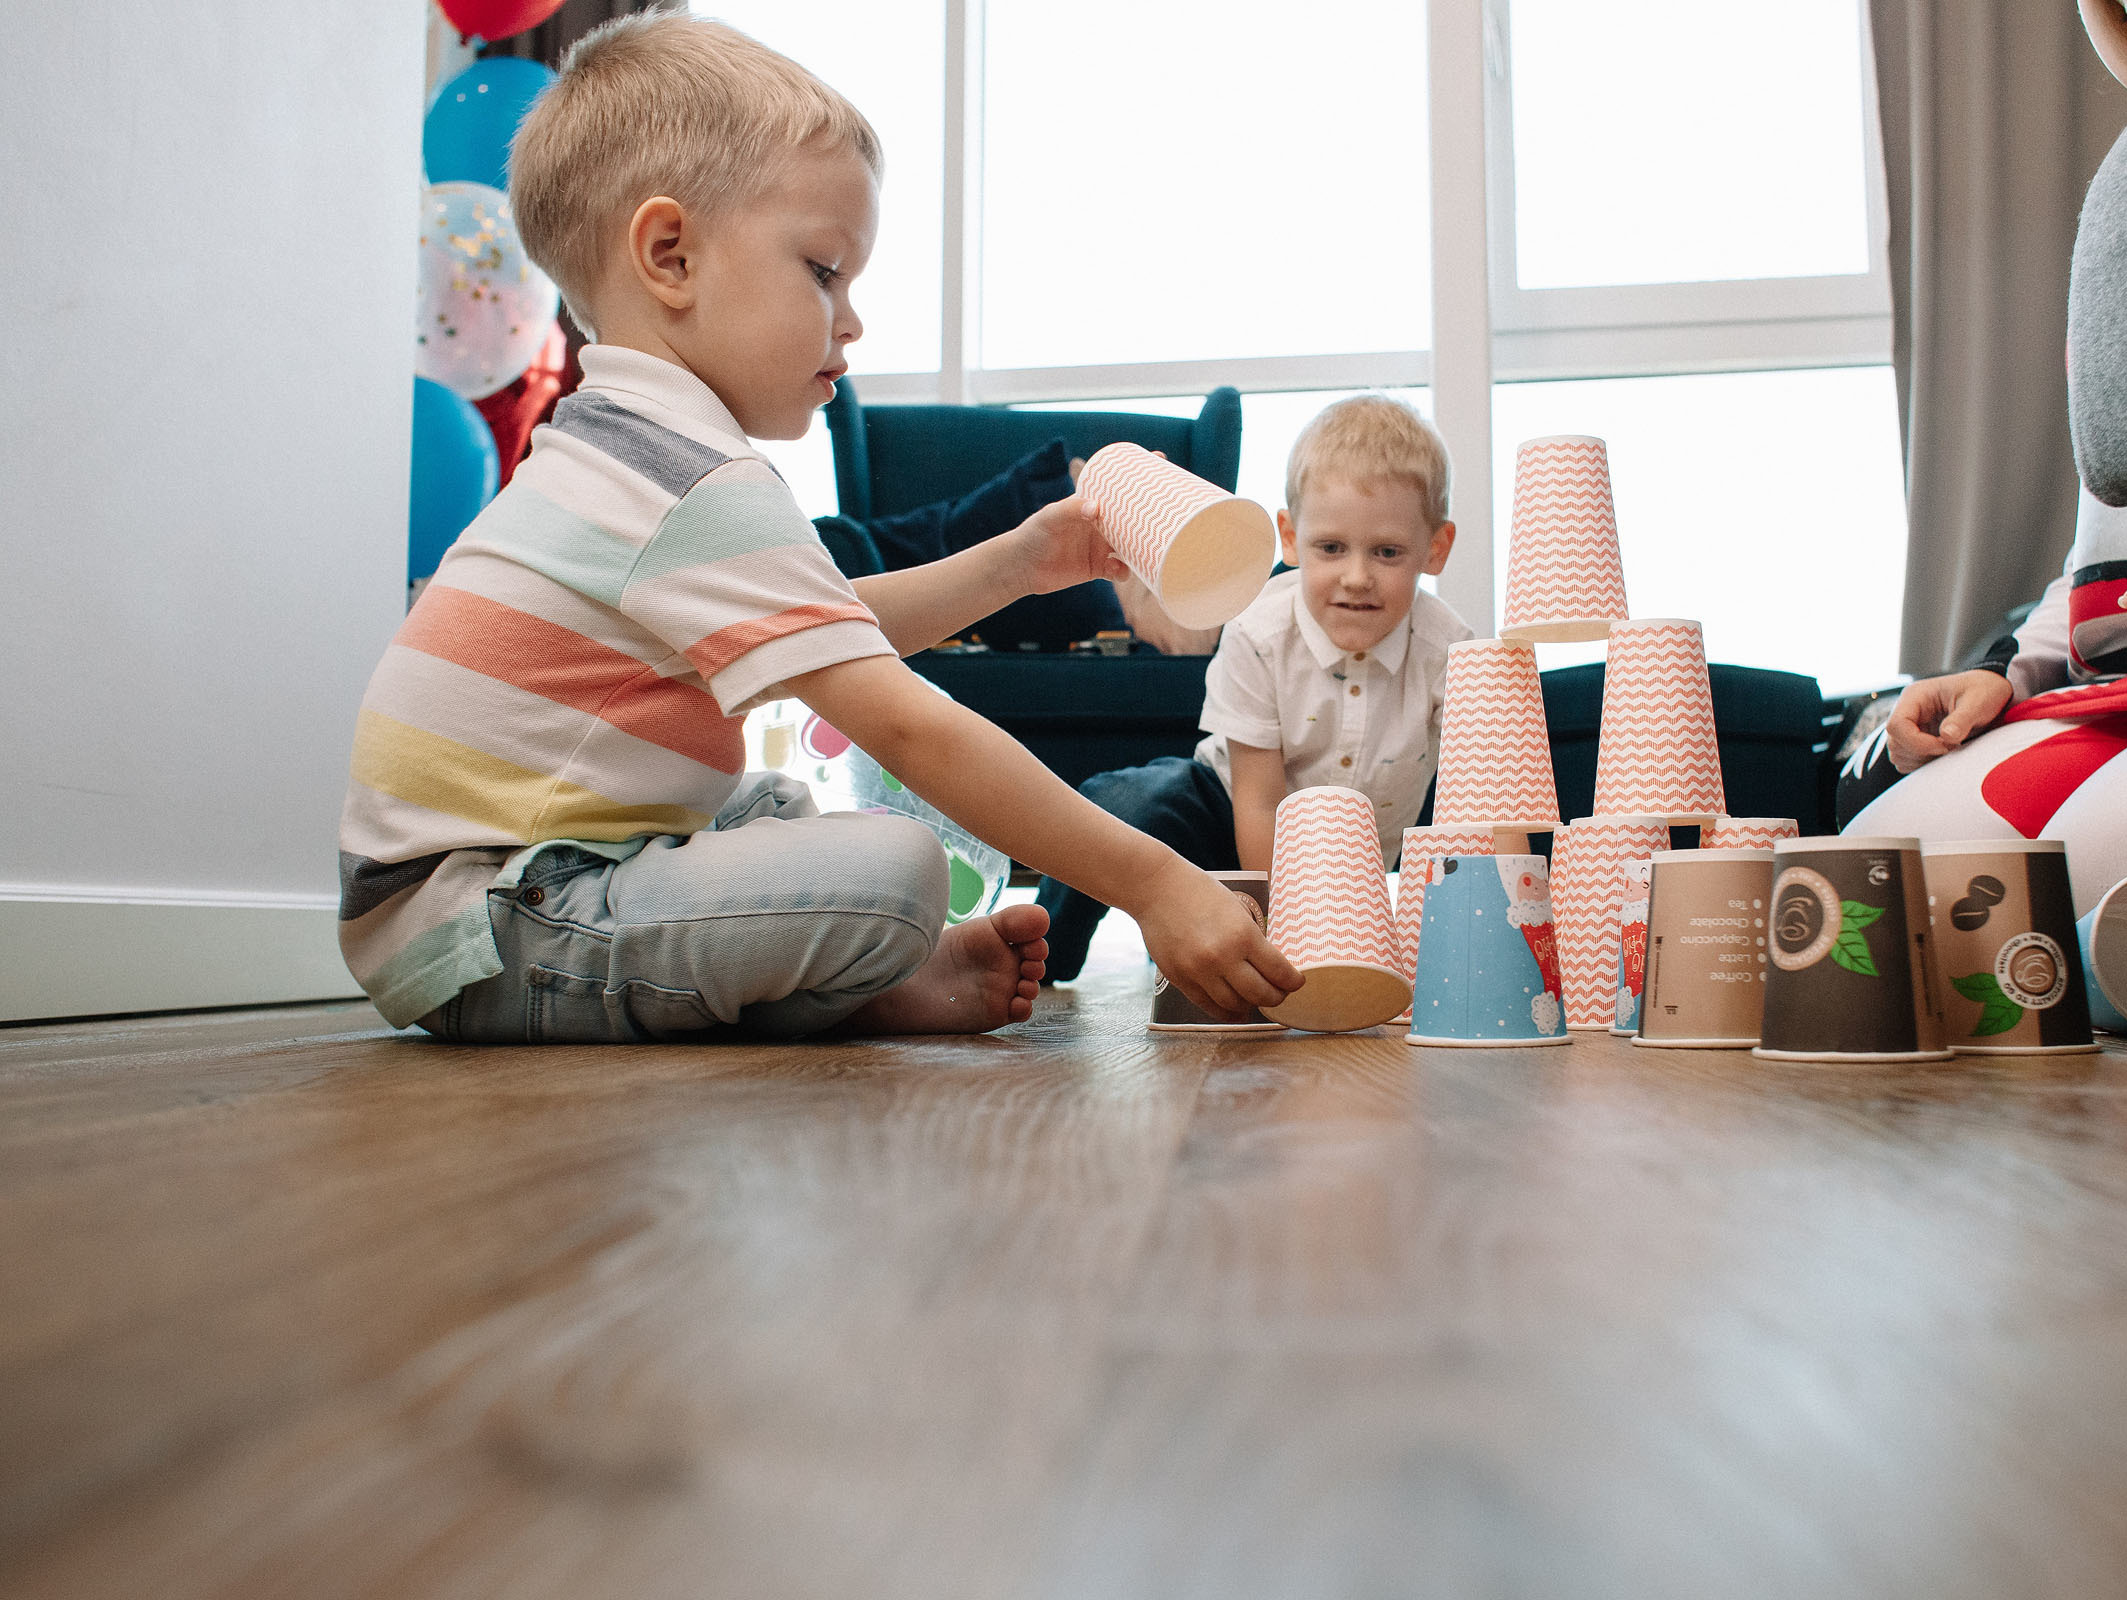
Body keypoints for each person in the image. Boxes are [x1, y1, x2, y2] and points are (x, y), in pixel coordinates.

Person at [337, 13, 1301, 1042]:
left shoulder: (624, 446)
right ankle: (861, 978)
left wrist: (1023, 562)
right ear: (670, 255)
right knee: (893, 869)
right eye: (824, 272)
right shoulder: (685, 478)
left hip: (489, 895)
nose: (852, 321)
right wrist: (1160, 885)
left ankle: (851, 979)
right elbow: (903, 719)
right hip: (494, 919)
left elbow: (833, 623)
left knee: (770, 812)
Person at [1835, 0, 2127, 911]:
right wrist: (2003, 671)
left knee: (2069, 898)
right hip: (2123, 697)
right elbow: (2107, 553)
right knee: (1875, 880)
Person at [1035, 396, 1473, 981]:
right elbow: (1260, 799)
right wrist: (1275, 931)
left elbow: (1469, 808)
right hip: (1230, 809)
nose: (1357, 577)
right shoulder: (1260, 632)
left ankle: (1199, 936)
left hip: (1354, 855)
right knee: (1122, 807)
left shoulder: (1454, 653)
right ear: (1290, 538)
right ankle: (1043, 956)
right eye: (1331, 548)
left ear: (1435, 549)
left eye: (1388, 553)